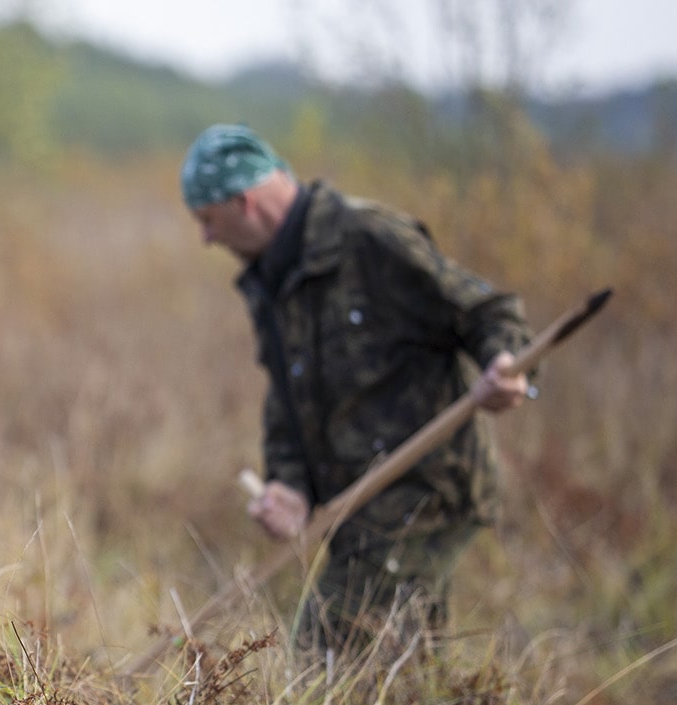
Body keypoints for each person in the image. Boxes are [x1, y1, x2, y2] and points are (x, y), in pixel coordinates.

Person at [180, 124, 531, 656]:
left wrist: (505, 364)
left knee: (328, 656)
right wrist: (290, 485)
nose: (206, 238)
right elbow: (288, 394)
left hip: (424, 488)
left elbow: (487, 311)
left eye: (207, 220)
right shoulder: (267, 276)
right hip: (355, 503)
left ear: (245, 202)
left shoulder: (369, 238)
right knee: (401, 673)